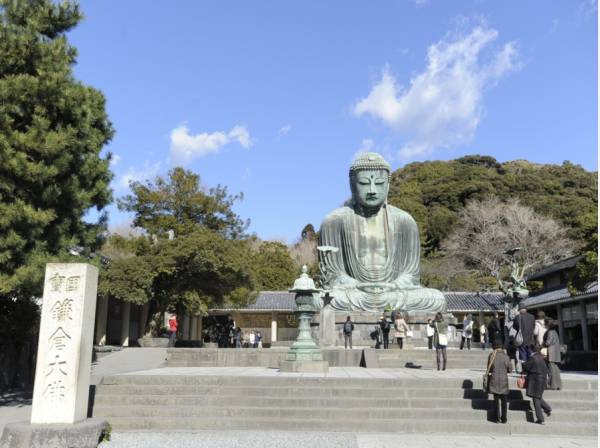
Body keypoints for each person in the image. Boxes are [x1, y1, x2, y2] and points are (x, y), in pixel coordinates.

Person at [317, 152, 445, 313]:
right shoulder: (334, 221)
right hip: (353, 293)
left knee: (435, 298)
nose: (372, 190)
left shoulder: (404, 221)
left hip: (393, 292)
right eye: (364, 183)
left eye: (379, 183)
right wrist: (357, 285)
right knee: (320, 299)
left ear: (388, 185)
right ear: (352, 184)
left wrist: (394, 285)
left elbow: (411, 275)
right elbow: (333, 275)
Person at [523, 343, 552, 424]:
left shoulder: (533, 358)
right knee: (537, 397)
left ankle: (540, 418)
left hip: (536, 380)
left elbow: (527, 367)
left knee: (536, 399)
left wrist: (523, 364)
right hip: (542, 380)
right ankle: (547, 408)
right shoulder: (541, 357)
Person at [486, 341, 512, 423]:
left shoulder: (491, 356)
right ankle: (504, 419)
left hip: (494, 380)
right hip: (504, 381)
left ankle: (496, 418)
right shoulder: (506, 357)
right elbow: (510, 369)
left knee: (496, 400)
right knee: (504, 401)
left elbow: (488, 368)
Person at [543, 319, 562, 390]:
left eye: (545, 324)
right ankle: (558, 385)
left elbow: (548, 342)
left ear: (548, 325)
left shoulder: (550, 332)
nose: (544, 325)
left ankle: (552, 385)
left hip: (551, 353)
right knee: (556, 369)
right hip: (555, 353)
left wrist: (542, 344)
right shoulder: (554, 332)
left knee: (551, 370)